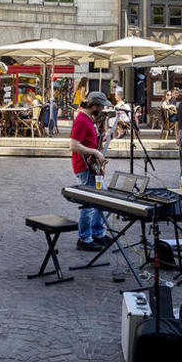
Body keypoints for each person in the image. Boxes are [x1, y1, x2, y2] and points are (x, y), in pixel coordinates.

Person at [69, 92, 111, 251]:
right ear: (95, 105)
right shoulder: (81, 120)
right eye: (101, 107)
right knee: (88, 202)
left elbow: (88, 141)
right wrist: (95, 152)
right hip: (85, 167)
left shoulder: (88, 119)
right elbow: (74, 145)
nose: (102, 110)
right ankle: (85, 238)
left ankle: (97, 233)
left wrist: (101, 140)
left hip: (91, 166)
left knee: (101, 198)